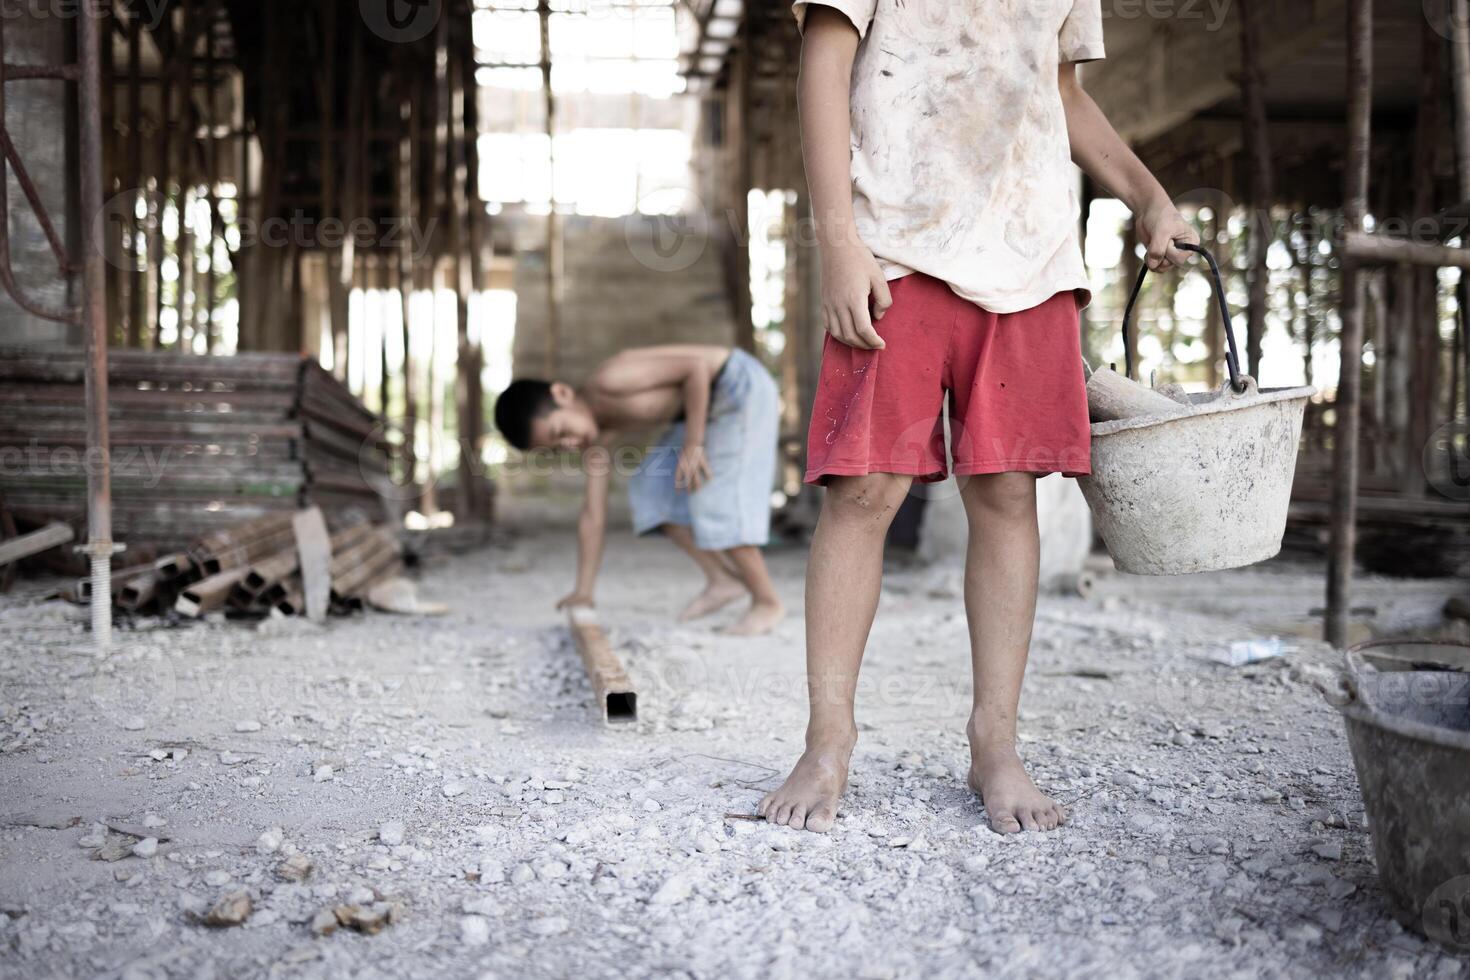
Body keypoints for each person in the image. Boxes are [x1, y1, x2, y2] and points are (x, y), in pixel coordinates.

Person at [758, 0, 1200, 833]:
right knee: (861, 493)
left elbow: (1059, 88)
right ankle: (827, 743)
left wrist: (1149, 197)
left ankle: (995, 744)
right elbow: (823, 64)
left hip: (1029, 254)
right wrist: (840, 243)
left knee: (1006, 494)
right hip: (894, 245)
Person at [494, 345, 786, 635]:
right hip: (697, 413)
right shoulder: (595, 441)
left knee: (714, 498)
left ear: (563, 394)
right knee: (651, 494)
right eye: (558, 447)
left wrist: (693, 444)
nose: (569, 444)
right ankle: (723, 579)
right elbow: (593, 515)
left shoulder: (610, 380)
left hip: (735, 384)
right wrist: (583, 591)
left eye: (561, 433)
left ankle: (767, 601)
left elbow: (695, 367)